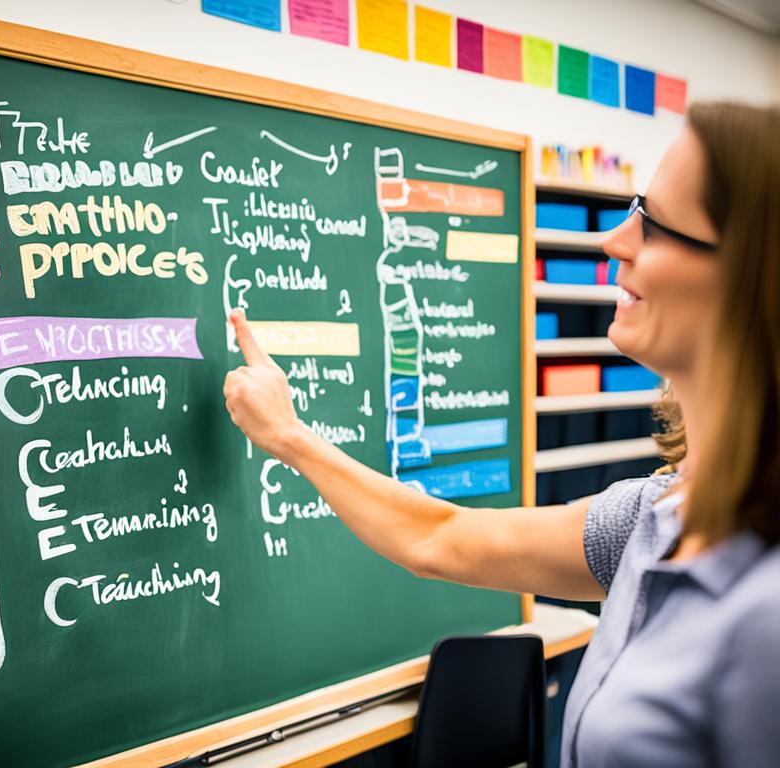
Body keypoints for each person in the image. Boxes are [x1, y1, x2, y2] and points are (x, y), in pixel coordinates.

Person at [222, 102, 780, 767]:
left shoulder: (764, 611)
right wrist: (288, 436)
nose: (615, 240)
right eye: (633, 206)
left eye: (655, 225)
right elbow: (441, 537)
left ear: (751, 282)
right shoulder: (654, 519)